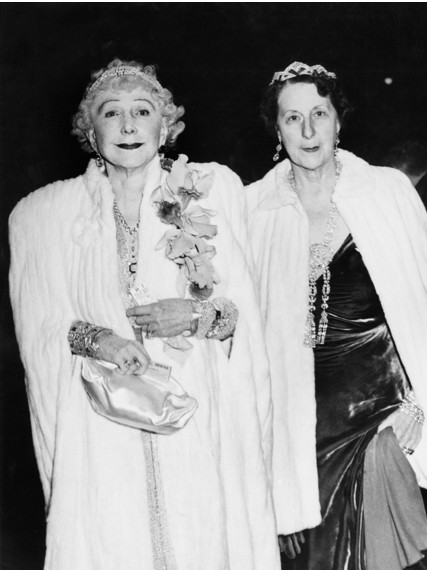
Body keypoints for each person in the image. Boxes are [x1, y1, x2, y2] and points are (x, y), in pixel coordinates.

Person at [8, 59, 279, 569]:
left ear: (166, 126)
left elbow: (243, 314)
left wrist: (193, 316)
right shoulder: (46, 215)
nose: (128, 126)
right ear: (91, 131)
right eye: (112, 113)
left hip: (195, 419)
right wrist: (101, 341)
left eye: (143, 111)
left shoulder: (211, 191)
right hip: (100, 426)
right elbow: (40, 324)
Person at [243, 61, 427, 570]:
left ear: (339, 120)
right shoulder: (252, 210)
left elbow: (426, 316)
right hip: (295, 429)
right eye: (292, 118)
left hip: (377, 419)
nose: (308, 130)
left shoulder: (386, 194)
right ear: (276, 129)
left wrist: (418, 404)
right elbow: (249, 342)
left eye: (320, 113)